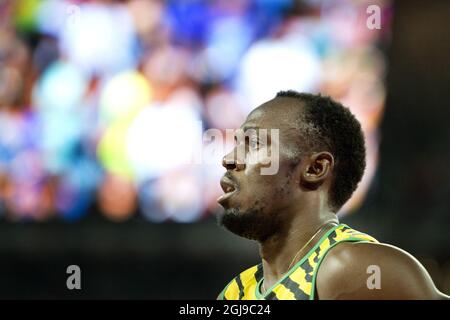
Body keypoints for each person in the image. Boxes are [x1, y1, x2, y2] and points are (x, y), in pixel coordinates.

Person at [216, 90, 449, 300]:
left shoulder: (354, 269)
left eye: (254, 143)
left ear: (315, 169)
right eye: (236, 144)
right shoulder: (236, 293)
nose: (228, 159)